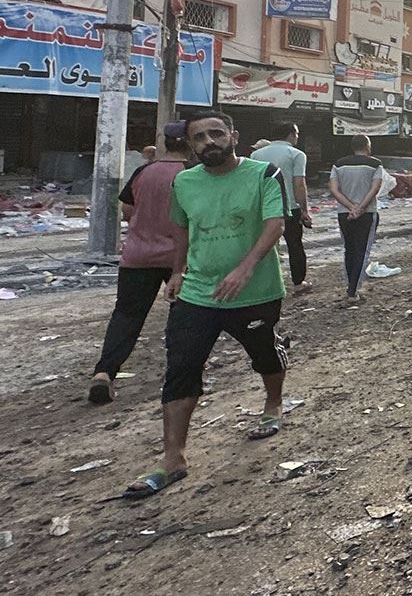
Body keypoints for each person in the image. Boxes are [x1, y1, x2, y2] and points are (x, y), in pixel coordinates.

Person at [123, 111, 289, 499]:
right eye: (199, 137)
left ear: (234, 136)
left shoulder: (264, 174)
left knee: (263, 353)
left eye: (216, 133)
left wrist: (246, 268)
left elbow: (276, 224)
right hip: (197, 292)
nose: (209, 142)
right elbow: (182, 228)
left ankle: (273, 403)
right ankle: (173, 459)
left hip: (256, 291)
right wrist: (177, 271)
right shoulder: (184, 181)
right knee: (181, 367)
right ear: (190, 145)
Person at [88, 121, 191, 405]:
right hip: (180, 259)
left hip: (137, 256)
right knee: (184, 316)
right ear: (191, 143)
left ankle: (104, 372)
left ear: (165, 142)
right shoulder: (193, 173)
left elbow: (127, 210)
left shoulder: (144, 171)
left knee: (126, 316)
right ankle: (180, 371)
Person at [251, 122, 313, 294]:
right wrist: (304, 210)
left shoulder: (256, 154)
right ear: (291, 135)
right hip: (290, 207)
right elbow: (299, 184)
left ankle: (265, 284)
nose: (297, 137)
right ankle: (298, 283)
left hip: (264, 207)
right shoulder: (296, 154)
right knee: (295, 245)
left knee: (265, 246)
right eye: (297, 134)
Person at [328, 136, 384, 301]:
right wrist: (360, 208)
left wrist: (350, 207)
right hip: (367, 213)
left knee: (349, 249)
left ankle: (350, 286)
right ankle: (353, 291)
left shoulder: (338, 164)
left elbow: (334, 190)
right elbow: (374, 189)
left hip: (344, 213)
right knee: (362, 250)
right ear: (367, 146)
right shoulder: (375, 164)